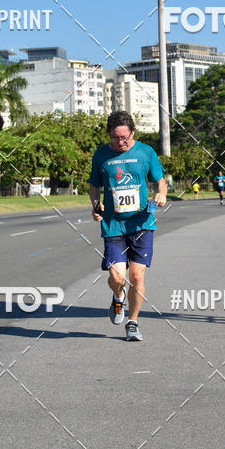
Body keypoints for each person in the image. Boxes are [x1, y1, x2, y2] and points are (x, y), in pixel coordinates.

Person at [89, 111, 167, 342]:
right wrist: (95, 205)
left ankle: (132, 323)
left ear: (133, 132)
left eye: (124, 137)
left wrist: (161, 195)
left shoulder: (146, 151)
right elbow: (94, 185)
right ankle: (117, 295)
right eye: (115, 138)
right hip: (113, 225)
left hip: (142, 222)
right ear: (109, 134)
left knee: (137, 275)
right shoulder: (101, 155)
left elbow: (159, 180)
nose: (120, 142)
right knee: (117, 277)